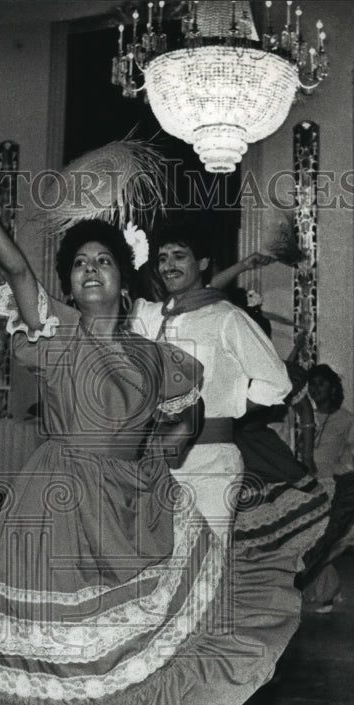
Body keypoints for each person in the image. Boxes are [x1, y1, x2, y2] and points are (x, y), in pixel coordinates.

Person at [0, 157, 302, 705]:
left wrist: (167, 445)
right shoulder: (55, 338)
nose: (90, 269)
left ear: (125, 280)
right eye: (79, 264)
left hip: (130, 500)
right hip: (56, 499)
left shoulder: (157, 354)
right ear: (68, 282)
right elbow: (13, 269)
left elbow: (187, 409)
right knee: (63, 648)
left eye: (103, 261)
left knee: (118, 647)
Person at [129, 220, 293, 547]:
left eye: (179, 256)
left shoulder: (227, 318)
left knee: (205, 565)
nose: (168, 265)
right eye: (162, 258)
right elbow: (193, 299)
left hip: (211, 463)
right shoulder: (151, 317)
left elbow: (276, 382)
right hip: (157, 463)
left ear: (202, 262)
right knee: (161, 568)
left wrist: (222, 410)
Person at [290, 364, 354, 611]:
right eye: (312, 385)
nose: (316, 390)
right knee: (307, 543)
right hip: (301, 486)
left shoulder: (347, 420)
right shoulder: (303, 416)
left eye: (321, 384)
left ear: (333, 388)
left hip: (326, 488)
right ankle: (326, 588)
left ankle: (326, 592)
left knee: (318, 542)